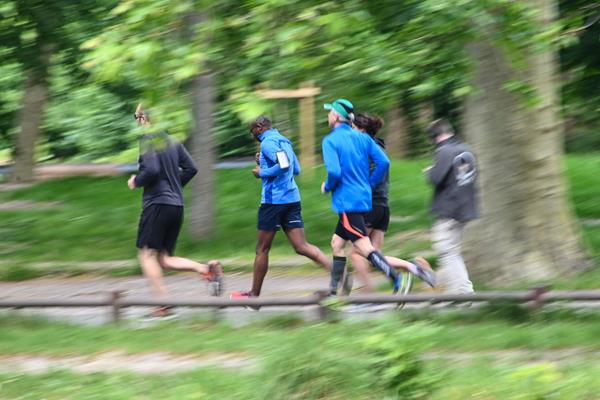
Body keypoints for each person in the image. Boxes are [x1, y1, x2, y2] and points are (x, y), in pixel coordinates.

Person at [321, 99, 426, 295]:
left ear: (335, 116)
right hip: (364, 200)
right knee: (337, 242)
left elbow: (334, 173)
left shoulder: (330, 141)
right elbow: (384, 162)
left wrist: (327, 186)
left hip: (348, 202)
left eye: (330, 112)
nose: (328, 115)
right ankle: (336, 291)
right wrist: (369, 184)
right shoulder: (363, 138)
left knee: (363, 246)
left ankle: (397, 278)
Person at [128, 104, 223, 316]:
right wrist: (175, 187)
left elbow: (151, 169)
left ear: (144, 118)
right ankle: (206, 269)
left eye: (137, 116)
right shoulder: (172, 140)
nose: (136, 120)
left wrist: (137, 181)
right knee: (163, 259)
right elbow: (192, 168)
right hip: (176, 206)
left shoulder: (147, 138)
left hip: (157, 203)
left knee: (146, 255)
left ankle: (163, 304)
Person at [230, 116, 331, 300]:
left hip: (273, 202)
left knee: (262, 249)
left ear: (260, 127)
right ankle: (339, 275)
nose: (252, 135)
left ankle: (254, 296)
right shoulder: (284, 141)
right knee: (302, 246)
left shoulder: (268, 143)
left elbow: (284, 166)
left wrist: (262, 172)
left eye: (252, 131)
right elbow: (295, 169)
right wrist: (265, 162)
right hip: (292, 200)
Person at [347, 113, 435, 294]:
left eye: (353, 128)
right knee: (373, 254)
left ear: (361, 130)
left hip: (368, 205)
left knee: (357, 253)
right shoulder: (378, 147)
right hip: (383, 206)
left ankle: (370, 295)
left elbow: (374, 171)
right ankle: (414, 269)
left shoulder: (366, 150)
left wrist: (362, 188)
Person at [424, 118, 478, 294]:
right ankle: (456, 291)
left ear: (435, 137)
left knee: (446, 251)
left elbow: (435, 179)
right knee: (452, 251)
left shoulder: (444, 151)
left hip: (449, 208)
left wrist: (430, 171)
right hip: (465, 207)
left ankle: (462, 292)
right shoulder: (466, 149)